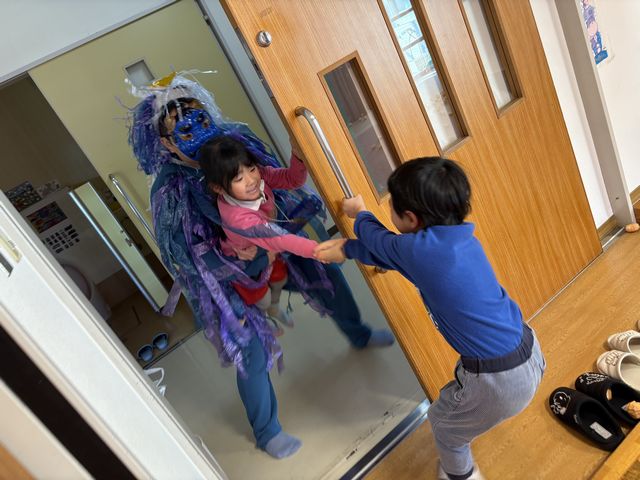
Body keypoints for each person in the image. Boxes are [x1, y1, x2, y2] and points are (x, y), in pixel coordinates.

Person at [127, 72, 395, 460]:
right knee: (250, 352)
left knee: (328, 278)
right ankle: (267, 431)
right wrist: (244, 263)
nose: (198, 132)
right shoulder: (170, 188)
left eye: (202, 119)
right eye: (184, 130)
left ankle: (359, 333)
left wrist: (297, 155)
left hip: (273, 246)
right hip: (225, 280)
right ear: (167, 142)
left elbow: (279, 182)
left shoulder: (236, 142)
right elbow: (187, 255)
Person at [314, 157, 545, 479]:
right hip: (529, 349)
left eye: (392, 206)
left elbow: (379, 241)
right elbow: (397, 255)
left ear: (410, 218)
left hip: (500, 380)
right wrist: (348, 249)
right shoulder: (460, 239)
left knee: (444, 426)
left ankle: (461, 476)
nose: (389, 210)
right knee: (460, 399)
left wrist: (359, 213)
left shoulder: (417, 251)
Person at [198, 136, 322, 331]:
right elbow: (278, 238)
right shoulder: (236, 218)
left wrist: (298, 156)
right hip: (245, 261)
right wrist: (318, 250)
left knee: (279, 278)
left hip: (266, 244)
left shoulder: (260, 176)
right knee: (260, 297)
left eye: (251, 169)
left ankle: (274, 307)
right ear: (218, 188)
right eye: (239, 179)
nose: (251, 180)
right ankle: (265, 316)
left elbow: (292, 179)